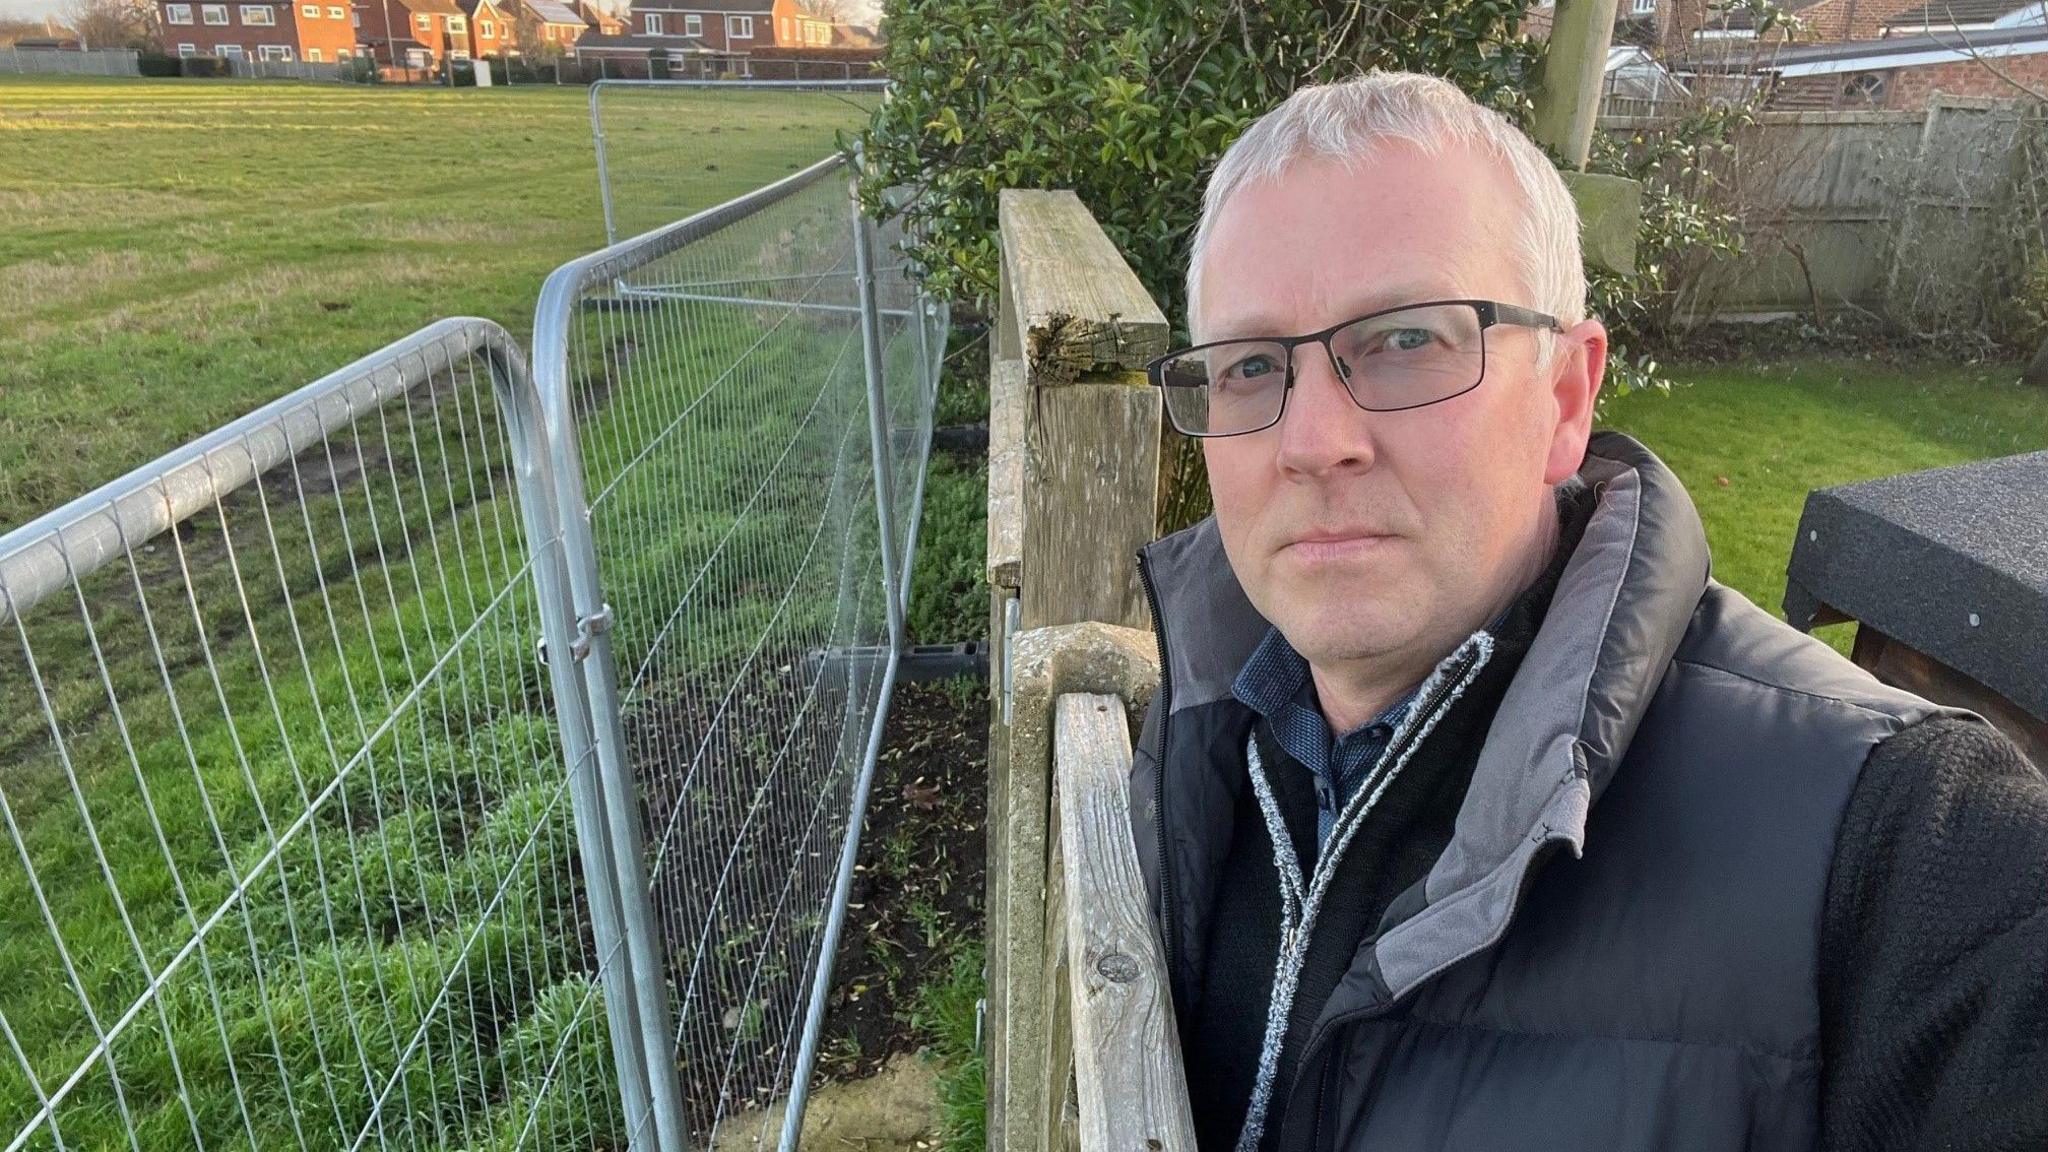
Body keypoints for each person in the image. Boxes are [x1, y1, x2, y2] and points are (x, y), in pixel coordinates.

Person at [1128, 71, 2048, 1152]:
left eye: (1407, 339)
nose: (1312, 440)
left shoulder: (1910, 849)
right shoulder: (1195, 716)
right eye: (1247, 365)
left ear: (1565, 398)